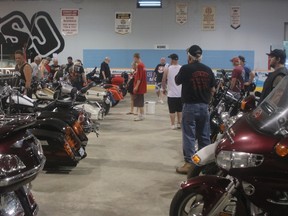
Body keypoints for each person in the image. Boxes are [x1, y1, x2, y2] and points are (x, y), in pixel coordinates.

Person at [175, 45, 216, 174]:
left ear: (189, 56)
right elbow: (213, 89)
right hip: (204, 107)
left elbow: (177, 81)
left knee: (189, 135)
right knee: (204, 135)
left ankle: (189, 164)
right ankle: (206, 164)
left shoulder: (185, 68)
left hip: (190, 107)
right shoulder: (208, 70)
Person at [162, 54, 182, 130]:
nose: (170, 60)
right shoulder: (181, 68)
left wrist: (164, 89)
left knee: (172, 110)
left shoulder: (167, 68)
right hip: (180, 94)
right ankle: (179, 123)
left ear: (173, 60)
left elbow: (163, 80)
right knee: (180, 110)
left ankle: (173, 125)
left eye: (170, 59)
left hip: (171, 94)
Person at [133, 53, 147, 121]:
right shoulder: (143, 65)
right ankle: (141, 115)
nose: (133, 60)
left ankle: (140, 115)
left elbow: (139, 78)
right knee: (140, 101)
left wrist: (136, 87)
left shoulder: (140, 66)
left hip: (140, 87)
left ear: (136, 57)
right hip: (142, 86)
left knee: (139, 102)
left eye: (134, 58)